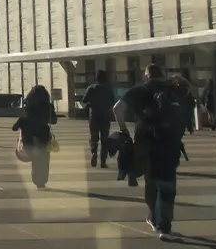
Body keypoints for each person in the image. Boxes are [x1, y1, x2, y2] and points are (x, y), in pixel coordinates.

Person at [114, 63, 189, 241]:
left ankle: (154, 218)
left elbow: (117, 109)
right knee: (167, 184)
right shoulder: (172, 88)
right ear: (162, 74)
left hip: (145, 141)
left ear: (146, 75)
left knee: (151, 179)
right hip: (169, 142)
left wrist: (124, 130)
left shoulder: (139, 89)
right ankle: (164, 226)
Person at [12, 85, 57, 189]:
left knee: (36, 160)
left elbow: (17, 125)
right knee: (44, 160)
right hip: (43, 138)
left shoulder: (29, 108)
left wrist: (18, 125)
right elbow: (54, 121)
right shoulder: (48, 107)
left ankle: (37, 180)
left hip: (30, 139)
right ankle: (41, 181)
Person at [81, 70, 116, 168]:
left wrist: (91, 103)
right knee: (105, 139)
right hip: (105, 117)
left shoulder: (91, 88)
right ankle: (103, 162)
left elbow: (84, 100)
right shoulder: (108, 89)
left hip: (94, 117)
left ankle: (93, 152)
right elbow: (113, 101)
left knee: (94, 137)